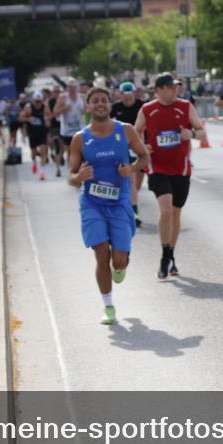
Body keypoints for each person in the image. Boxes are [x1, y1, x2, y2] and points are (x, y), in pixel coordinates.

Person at [69, 87, 150, 325]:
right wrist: (79, 177)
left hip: (119, 203)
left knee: (119, 261)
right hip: (92, 203)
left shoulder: (125, 130)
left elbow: (143, 156)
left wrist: (132, 169)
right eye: (95, 101)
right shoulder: (80, 139)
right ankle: (108, 306)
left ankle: (123, 260)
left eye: (103, 100)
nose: (100, 104)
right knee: (100, 253)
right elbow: (71, 177)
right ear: (88, 107)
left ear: (109, 104)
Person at [134, 72, 207, 280]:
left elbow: (202, 132)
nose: (175, 90)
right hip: (157, 167)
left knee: (175, 214)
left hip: (181, 168)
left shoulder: (185, 106)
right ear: (158, 90)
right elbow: (136, 132)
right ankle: (165, 257)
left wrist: (190, 134)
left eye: (176, 86)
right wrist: (142, 146)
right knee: (165, 209)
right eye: (170, 87)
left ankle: (170, 253)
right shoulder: (147, 109)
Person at [111, 81, 146, 227]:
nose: (127, 98)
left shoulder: (142, 106)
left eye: (129, 94)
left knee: (137, 183)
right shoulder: (116, 108)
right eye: (124, 95)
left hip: (141, 147)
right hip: (123, 148)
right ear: (120, 94)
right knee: (131, 182)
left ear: (134, 93)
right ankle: (134, 212)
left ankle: (131, 202)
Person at [21, 92, 50, 180]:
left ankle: (42, 172)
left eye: (39, 101)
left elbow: (50, 117)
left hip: (42, 133)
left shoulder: (45, 107)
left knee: (43, 152)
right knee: (33, 153)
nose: (38, 103)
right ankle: (34, 162)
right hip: (32, 133)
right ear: (33, 101)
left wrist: (47, 119)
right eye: (36, 101)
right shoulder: (28, 108)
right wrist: (28, 119)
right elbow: (20, 118)